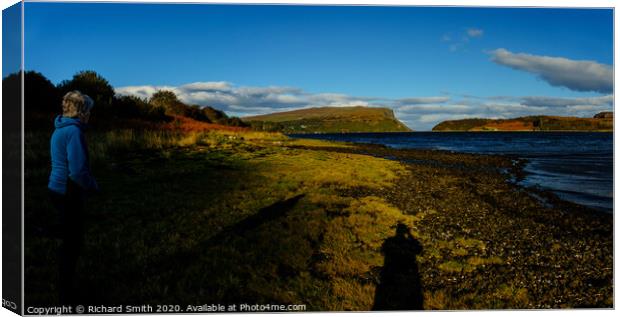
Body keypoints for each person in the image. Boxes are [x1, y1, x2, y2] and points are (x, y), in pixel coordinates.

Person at [48, 90, 98, 304]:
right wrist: (93, 186)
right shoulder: (74, 132)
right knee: (72, 243)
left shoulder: (60, 128)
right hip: (69, 190)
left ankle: (64, 286)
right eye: (89, 110)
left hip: (56, 189)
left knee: (67, 239)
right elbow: (77, 171)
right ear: (82, 111)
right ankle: (66, 295)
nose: (90, 115)